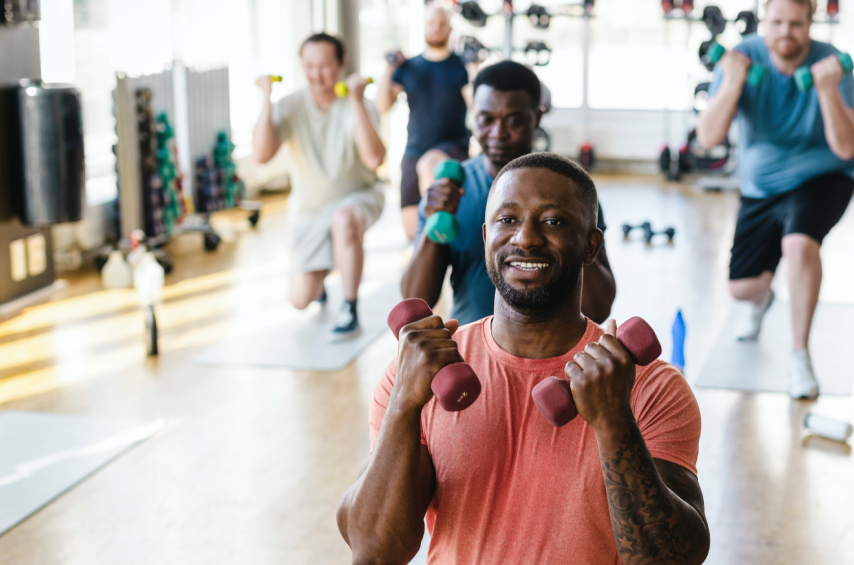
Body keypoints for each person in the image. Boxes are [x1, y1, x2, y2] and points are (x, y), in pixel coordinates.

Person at [337, 152, 709, 565]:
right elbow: (374, 558)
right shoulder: (423, 374)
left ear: (592, 245)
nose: (526, 238)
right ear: (485, 234)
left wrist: (613, 422)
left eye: (553, 221)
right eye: (507, 220)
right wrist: (405, 407)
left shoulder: (647, 388)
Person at [695, 0, 854, 400]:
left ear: (810, 23)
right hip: (761, 186)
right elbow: (708, 139)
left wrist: (826, 91)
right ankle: (762, 300)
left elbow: (847, 147)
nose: (786, 32)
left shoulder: (832, 64)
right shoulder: (741, 57)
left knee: (800, 244)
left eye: (796, 23)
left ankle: (799, 355)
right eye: (777, 22)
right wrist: (733, 82)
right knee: (741, 289)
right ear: (763, 22)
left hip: (823, 175)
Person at [401, 60, 616, 326]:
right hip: (472, 355)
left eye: (513, 121)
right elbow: (416, 301)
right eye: (486, 120)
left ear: (536, 118)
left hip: (555, 357)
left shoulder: (570, 190)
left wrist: (572, 227)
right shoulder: (449, 192)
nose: (498, 133)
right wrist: (434, 227)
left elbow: (599, 308)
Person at [252, 33, 386, 336]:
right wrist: (265, 98)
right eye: (309, 66)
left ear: (342, 64)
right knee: (300, 299)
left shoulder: (359, 105)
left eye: (325, 65)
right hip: (309, 211)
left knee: (344, 221)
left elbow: (375, 159)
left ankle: (349, 307)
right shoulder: (290, 105)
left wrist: (355, 101)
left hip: (359, 196)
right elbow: (261, 155)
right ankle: (324, 276)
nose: (317, 74)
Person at [375, 5, 473, 241]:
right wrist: (390, 66)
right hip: (415, 149)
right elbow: (382, 105)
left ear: (450, 28)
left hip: (453, 147)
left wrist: (474, 67)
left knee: (430, 171)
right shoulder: (409, 67)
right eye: (432, 24)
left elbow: (477, 106)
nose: (437, 29)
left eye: (442, 24)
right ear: (424, 28)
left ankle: (448, 264)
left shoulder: (461, 65)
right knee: (412, 231)